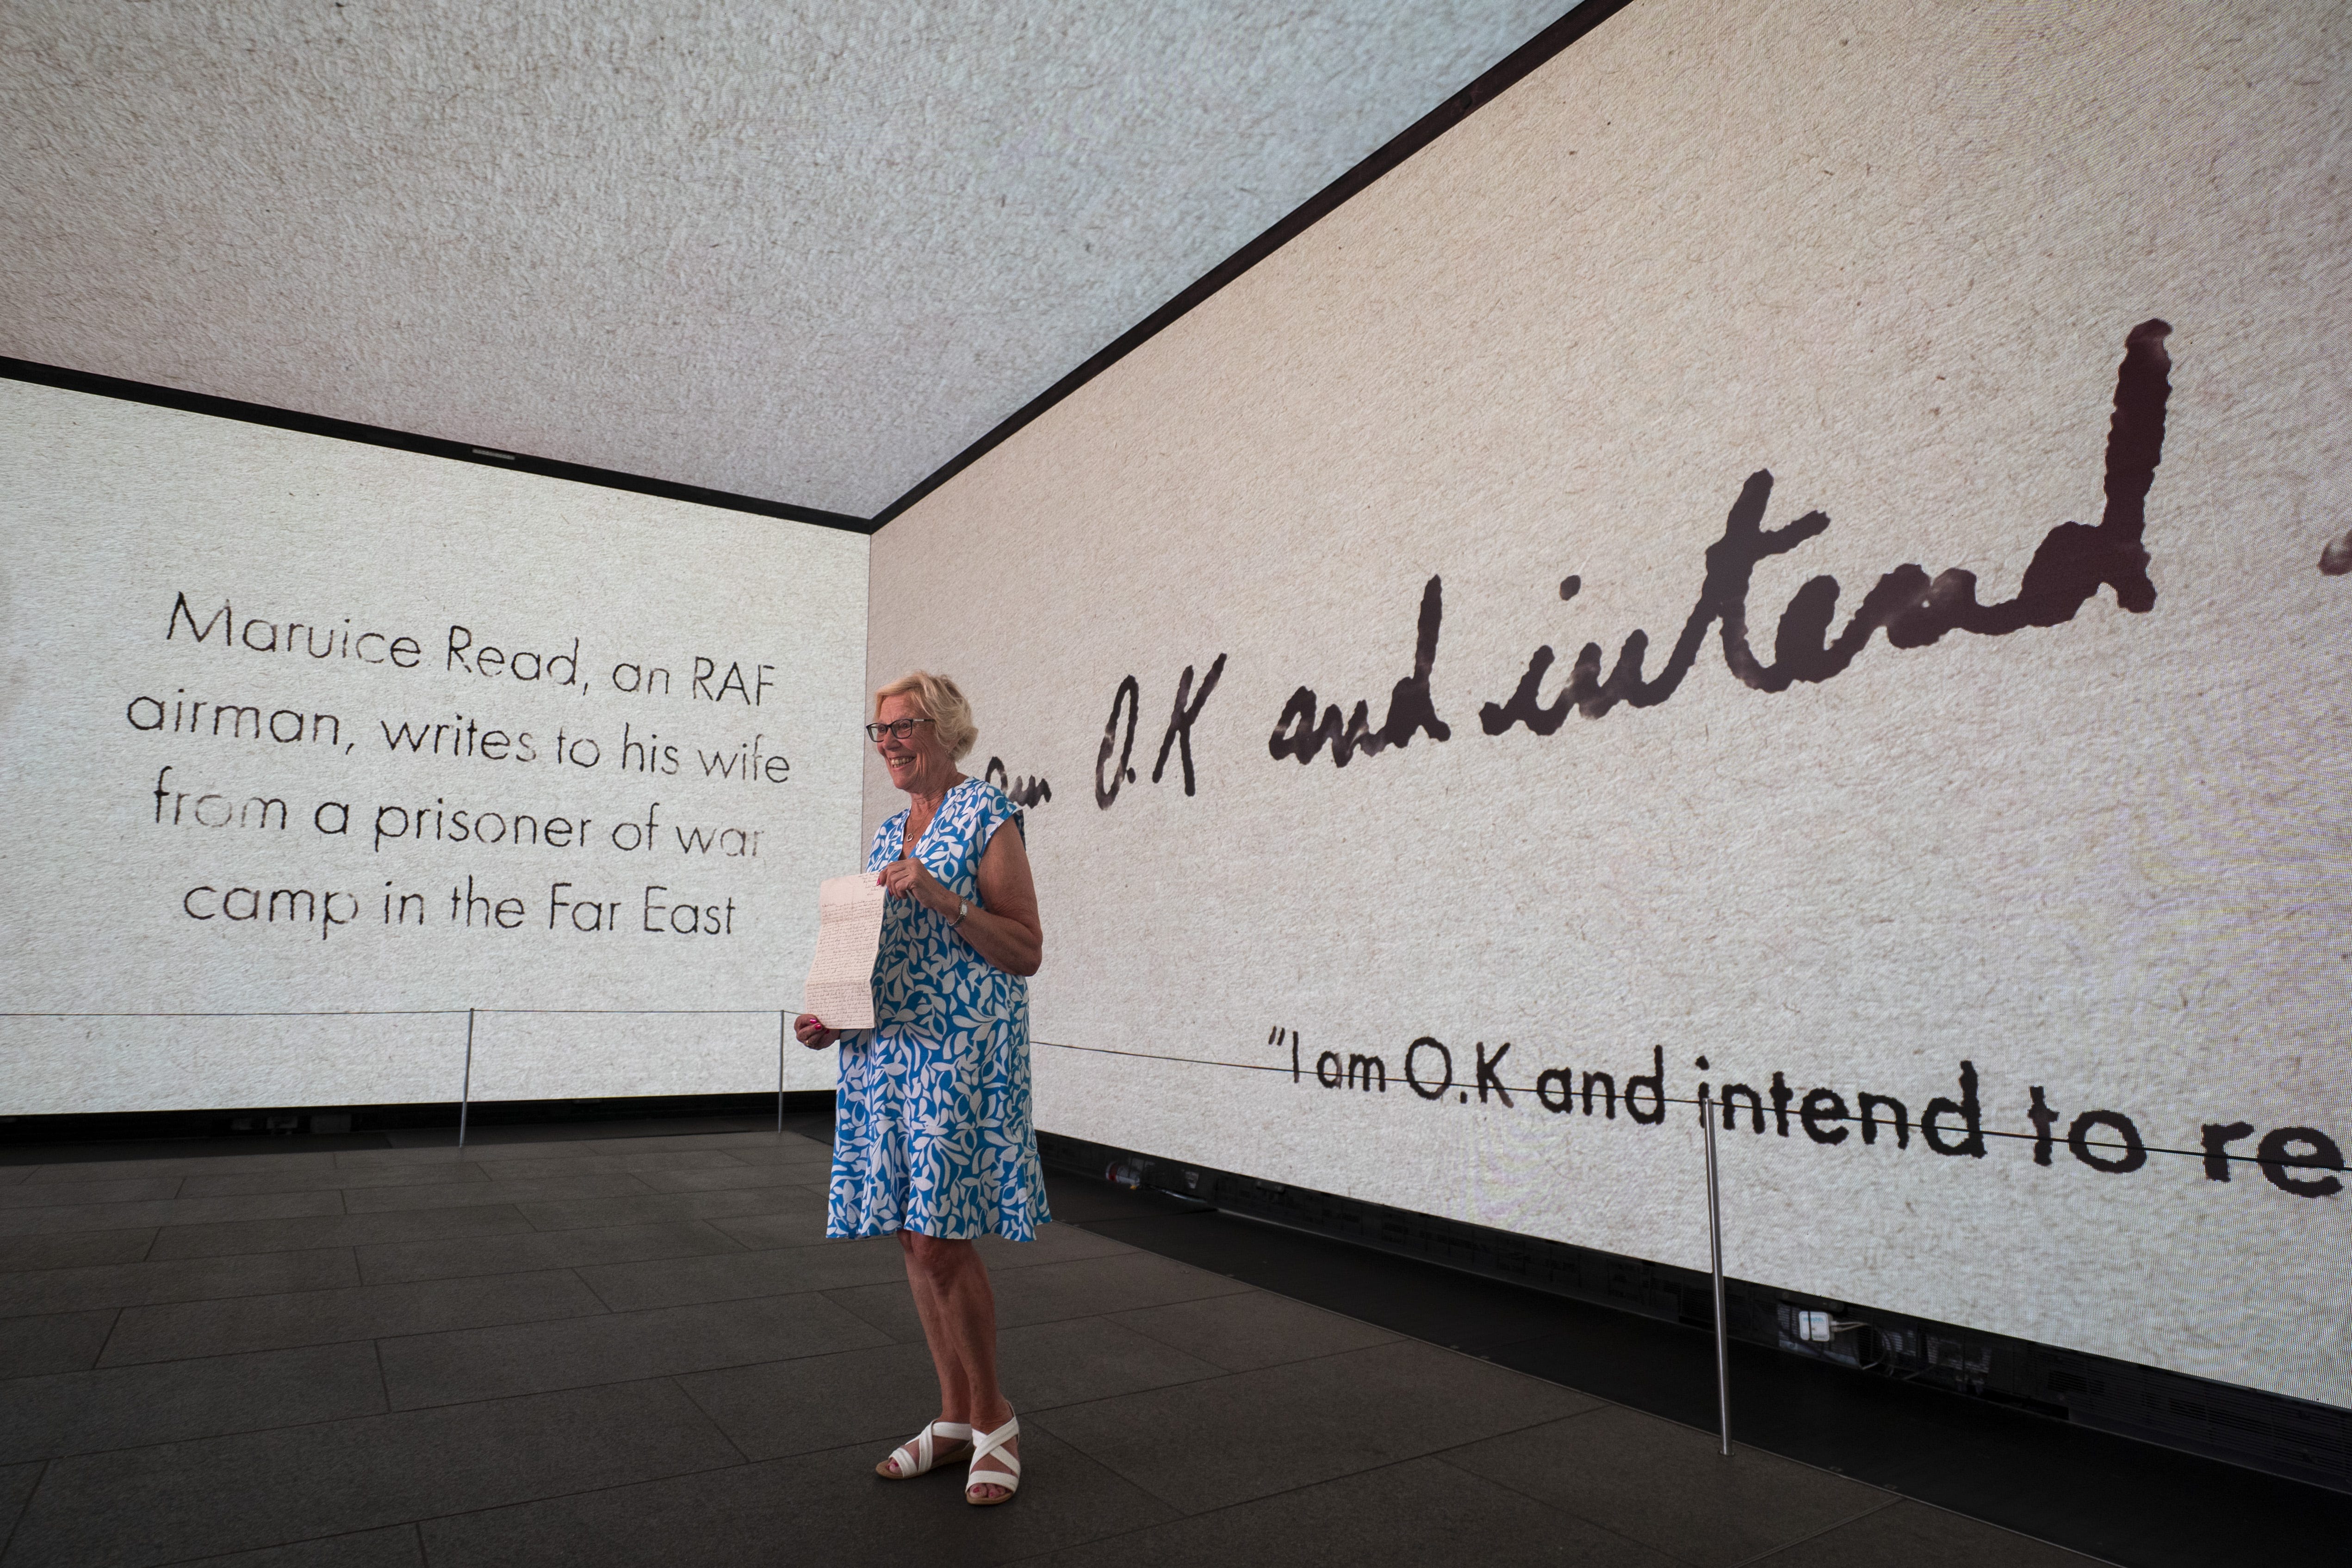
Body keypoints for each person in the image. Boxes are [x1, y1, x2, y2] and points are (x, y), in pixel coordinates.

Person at [795, 671, 1048, 1506]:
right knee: (911, 1236)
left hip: (958, 1051)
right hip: (884, 1053)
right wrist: (831, 1015)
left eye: (903, 728)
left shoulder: (988, 814)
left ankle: (994, 1419)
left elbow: (1024, 949)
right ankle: (950, 1418)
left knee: (942, 1239)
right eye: (880, 731)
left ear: (943, 729)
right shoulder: (884, 833)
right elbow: (873, 953)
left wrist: (942, 897)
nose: (890, 744)